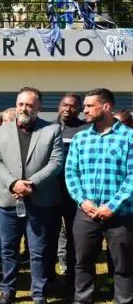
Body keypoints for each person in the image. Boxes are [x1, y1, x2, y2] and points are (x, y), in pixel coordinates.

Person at [0, 87, 63, 304]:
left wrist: (31, 184)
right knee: (8, 249)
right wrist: (13, 183)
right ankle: (8, 290)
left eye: (30, 105)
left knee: (38, 250)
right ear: (16, 104)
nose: (24, 108)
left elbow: (56, 162)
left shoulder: (52, 130)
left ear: (38, 106)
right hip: (8, 200)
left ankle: (39, 293)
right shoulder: (0, 132)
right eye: (21, 104)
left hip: (39, 199)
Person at [66, 88, 133, 304]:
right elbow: (71, 173)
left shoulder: (129, 137)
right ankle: (83, 300)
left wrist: (112, 205)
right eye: (84, 106)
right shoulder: (80, 138)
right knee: (82, 262)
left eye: (88, 106)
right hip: (86, 213)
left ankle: (124, 300)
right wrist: (83, 201)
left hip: (121, 213)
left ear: (106, 107)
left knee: (124, 265)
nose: (83, 110)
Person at [53, 93, 86, 287]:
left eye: (73, 106)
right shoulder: (48, 128)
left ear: (79, 109)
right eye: (64, 104)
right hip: (50, 191)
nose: (67, 109)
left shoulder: (85, 130)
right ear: (59, 106)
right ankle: (48, 276)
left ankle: (72, 276)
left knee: (75, 236)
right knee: (49, 234)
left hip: (74, 193)